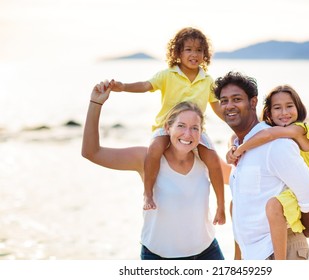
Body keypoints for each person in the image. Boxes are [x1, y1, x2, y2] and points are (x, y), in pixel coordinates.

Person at [82, 81, 228, 260]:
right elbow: (91, 152)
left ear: (201, 133)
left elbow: (239, 175)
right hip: (158, 257)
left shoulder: (206, 159)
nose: (188, 134)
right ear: (167, 128)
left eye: (195, 128)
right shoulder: (146, 158)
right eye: (181, 126)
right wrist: (96, 103)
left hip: (207, 253)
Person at [108, 27, 225, 224]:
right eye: (188, 49)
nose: (194, 54)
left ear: (205, 54)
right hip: (166, 127)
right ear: (178, 52)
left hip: (195, 130)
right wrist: (123, 87)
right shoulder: (167, 75)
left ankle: (221, 206)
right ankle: (147, 194)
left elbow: (217, 108)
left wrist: (242, 126)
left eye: (198, 50)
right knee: (154, 149)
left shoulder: (207, 80)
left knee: (213, 158)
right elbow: (146, 86)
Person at [213, 71, 309, 260]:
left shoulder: (277, 144)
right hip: (255, 256)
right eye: (224, 101)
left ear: (253, 102)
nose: (229, 105)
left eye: (236, 99)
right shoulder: (240, 147)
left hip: (281, 251)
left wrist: (308, 229)